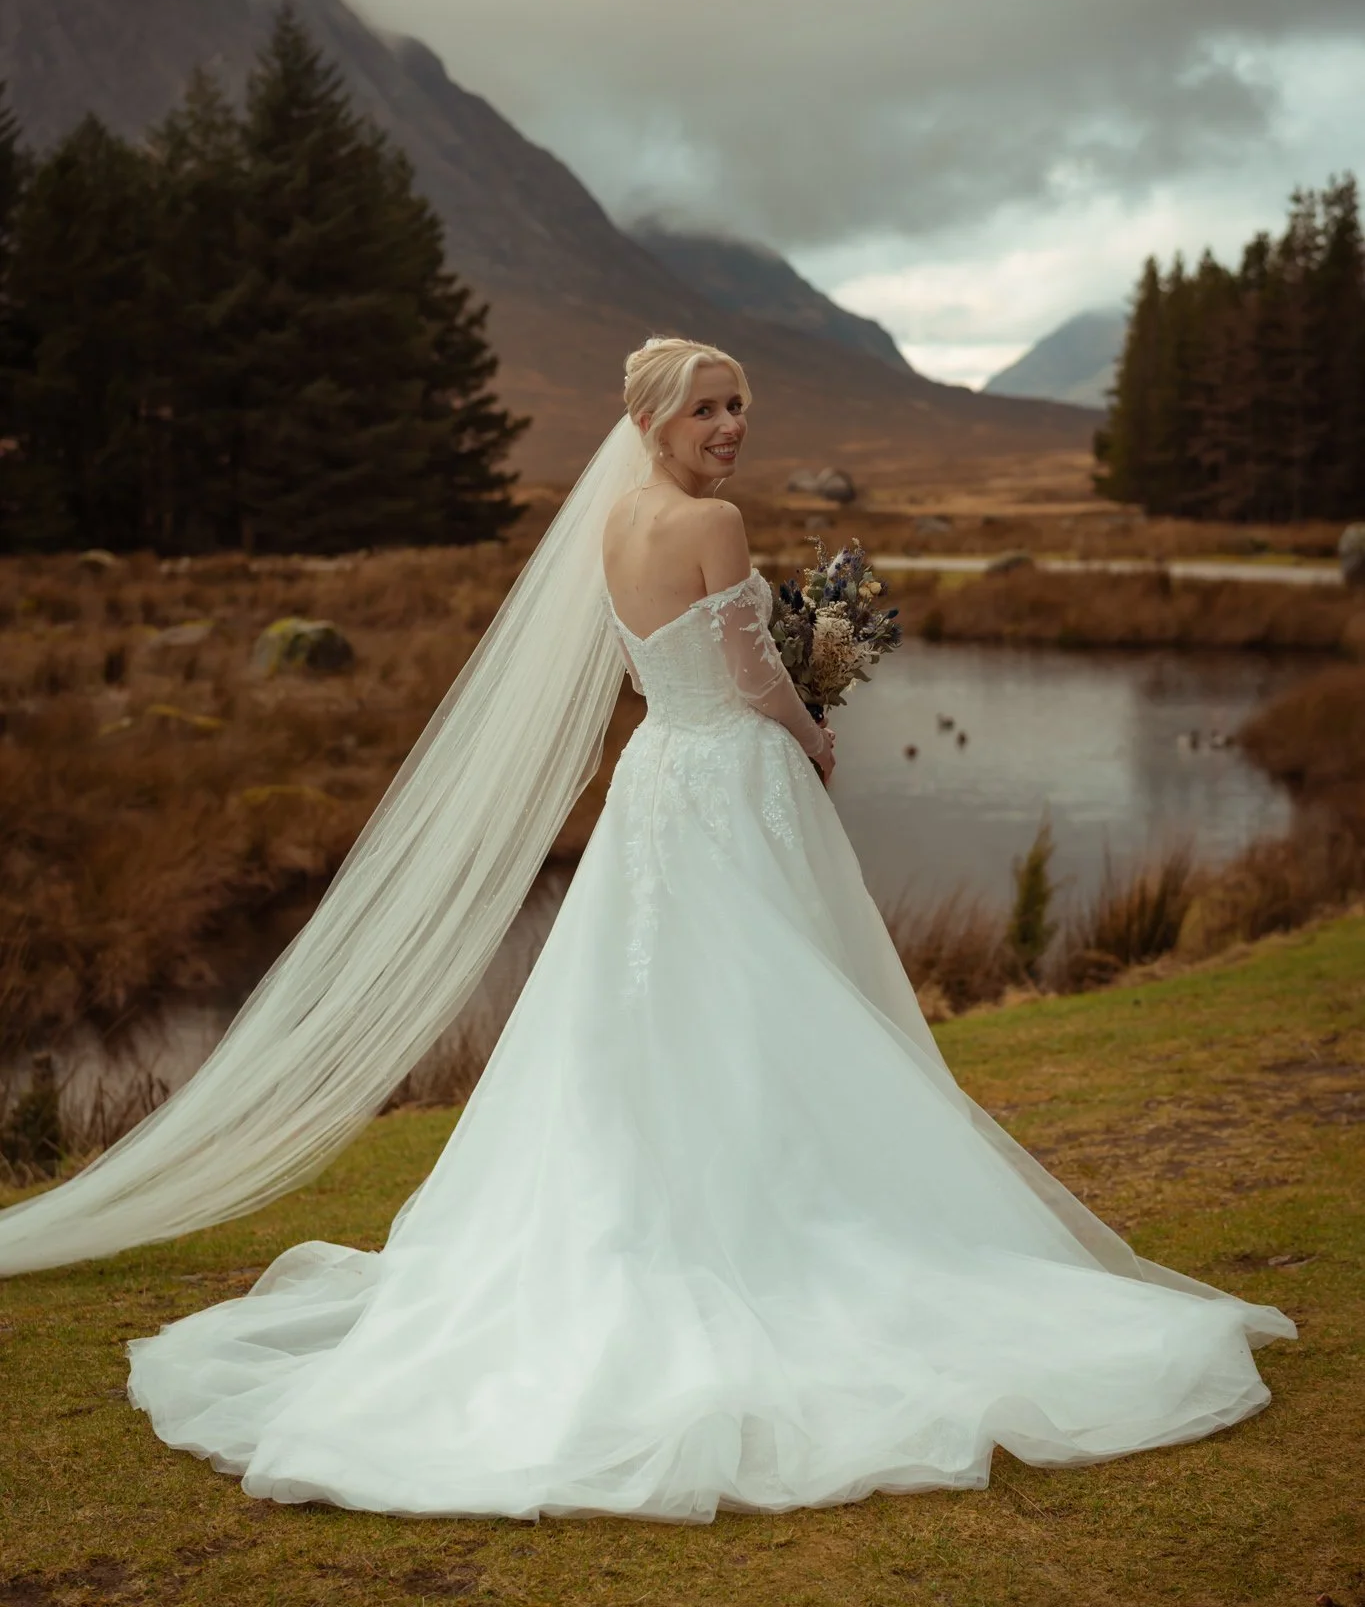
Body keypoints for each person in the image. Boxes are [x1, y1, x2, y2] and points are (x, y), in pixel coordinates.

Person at [6, 339, 1293, 1521]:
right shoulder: (715, 522)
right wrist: (810, 729)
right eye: (709, 406)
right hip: (730, 772)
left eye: (740, 407)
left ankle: (691, 1199)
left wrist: (775, 694)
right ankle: (786, 1210)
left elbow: (653, 661)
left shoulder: (616, 520)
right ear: (655, 418)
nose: (730, 425)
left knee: (659, 1005)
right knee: (769, 993)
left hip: (655, 778)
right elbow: (745, 668)